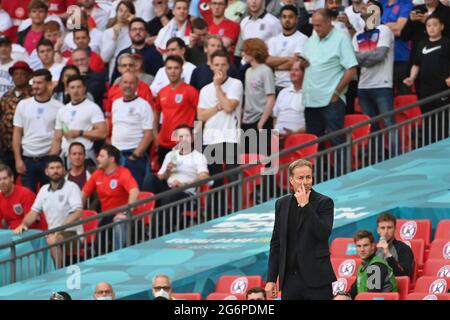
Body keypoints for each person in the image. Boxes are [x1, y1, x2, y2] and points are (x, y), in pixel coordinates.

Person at [265, 159, 336, 300]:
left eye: (308, 177)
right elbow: (276, 243)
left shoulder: (324, 202)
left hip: (317, 279)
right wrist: (271, 279)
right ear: (291, 180)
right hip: (290, 281)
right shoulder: (281, 204)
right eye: (300, 178)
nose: (305, 182)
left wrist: (306, 206)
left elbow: (322, 233)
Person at [300, 9, 357, 174]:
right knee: (313, 144)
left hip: (330, 100)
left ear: (328, 22)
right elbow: (308, 61)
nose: (316, 28)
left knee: (336, 140)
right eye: (314, 25)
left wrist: (336, 93)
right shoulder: (312, 39)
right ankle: (318, 179)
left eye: (319, 25)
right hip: (311, 100)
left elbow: (351, 70)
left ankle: (343, 177)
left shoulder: (341, 38)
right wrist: (303, 64)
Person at [14, 155, 83, 268]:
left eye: (58, 167)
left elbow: (77, 212)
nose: (55, 170)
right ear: (46, 172)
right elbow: (33, 212)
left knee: (52, 240)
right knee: (35, 240)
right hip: (51, 233)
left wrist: (60, 229)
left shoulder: (72, 187)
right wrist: (24, 224)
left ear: (64, 170)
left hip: (73, 234)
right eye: (52, 168)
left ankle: (57, 272)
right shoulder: (43, 190)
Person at [197, 50, 243, 214]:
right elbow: (200, 116)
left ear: (228, 65)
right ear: (210, 65)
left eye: (223, 64)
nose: (220, 68)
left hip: (231, 137)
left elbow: (230, 107)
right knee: (215, 180)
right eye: (217, 64)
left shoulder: (235, 84)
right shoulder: (204, 90)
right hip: (210, 139)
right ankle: (215, 215)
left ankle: (238, 212)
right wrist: (217, 107)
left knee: (233, 177)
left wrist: (217, 87)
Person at [143, 124, 209, 234]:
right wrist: (168, 171)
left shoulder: (198, 156)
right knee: (150, 178)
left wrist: (183, 184)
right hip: (168, 188)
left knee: (169, 197)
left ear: (192, 138)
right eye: (180, 136)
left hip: (185, 192)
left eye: (187, 136)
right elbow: (160, 177)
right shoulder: (170, 155)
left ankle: (162, 234)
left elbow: (204, 176)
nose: (184, 139)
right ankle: (146, 213)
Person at [353, 0, 397, 157]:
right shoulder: (357, 35)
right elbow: (354, 59)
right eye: (365, 6)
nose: (366, 8)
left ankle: (395, 158)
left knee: (388, 123)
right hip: (363, 87)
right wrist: (365, 57)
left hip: (382, 84)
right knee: (372, 126)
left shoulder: (384, 30)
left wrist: (362, 57)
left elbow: (379, 55)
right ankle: (377, 159)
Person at [13, 69, 64, 193]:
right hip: (27, 159)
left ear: (49, 84)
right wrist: (18, 159)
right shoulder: (23, 105)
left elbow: (59, 135)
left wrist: (52, 159)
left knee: (49, 197)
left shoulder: (59, 107)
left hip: (48, 158)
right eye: (34, 83)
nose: (35, 86)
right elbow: (17, 133)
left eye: (39, 83)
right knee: (28, 198)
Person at [82, 145, 139, 251]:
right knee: (95, 222)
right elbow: (84, 194)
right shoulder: (97, 174)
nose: (98, 158)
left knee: (118, 222)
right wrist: (77, 211)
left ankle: (120, 256)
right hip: (105, 215)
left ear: (111, 159)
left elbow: (134, 191)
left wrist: (126, 212)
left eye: (101, 156)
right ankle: (97, 255)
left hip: (123, 215)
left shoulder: (123, 172)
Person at [403, 15, 450, 143]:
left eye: (435, 25)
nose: (432, 28)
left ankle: (444, 147)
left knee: (442, 121)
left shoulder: (447, 43)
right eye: (428, 25)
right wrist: (412, 78)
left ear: (442, 27)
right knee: (428, 119)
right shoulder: (422, 43)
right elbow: (416, 64)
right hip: (425, 89)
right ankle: (431, 147)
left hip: (442, 88)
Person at [153, 55, 199, 166]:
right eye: (169, 68)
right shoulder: (162, 92)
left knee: (183, 176)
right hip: (164, 142)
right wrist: (156, 136)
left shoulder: (190, 91)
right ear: (165, 70)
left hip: (183, 142)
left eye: (176, 68)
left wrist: (196, 139)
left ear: (181, 70)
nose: (173, 71)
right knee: (164, 176)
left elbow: (200, 115)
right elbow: (156, 113)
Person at [51, 74, 107, 164]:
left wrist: (80, 133)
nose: (75, 90)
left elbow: (102, 133)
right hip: (66, 154)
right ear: (67, 89)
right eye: (72, 87)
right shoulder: (62, 110)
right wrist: (52, 159)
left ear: (84, 88)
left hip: (85, 155)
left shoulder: (93, 107)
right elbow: (57, 138)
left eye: (79, 87)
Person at [111, 72, 153, 188]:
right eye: (125, 82)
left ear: (136, 85)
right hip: (115, 155)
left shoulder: (144, 105)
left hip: (133, 154)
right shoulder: (115, 103)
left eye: (131, 83)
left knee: (135, 190)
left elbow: (148, 135)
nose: (127, 85)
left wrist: (135, 155)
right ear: (119, 85)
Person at [241, 38, 275, 155]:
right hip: (247, 120)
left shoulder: (266, 71)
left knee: (263, 158)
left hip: (261, 119)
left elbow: (270, 98)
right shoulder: (248, 71)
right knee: (248, 157)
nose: (243, 54)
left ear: (253, 52)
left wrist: (261, 122)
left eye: (245, 50)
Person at [266, 5, 308, 93]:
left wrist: (276, 66)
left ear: (296, 19)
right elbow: (268, 61)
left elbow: (296, 62)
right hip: (275, 85)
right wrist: (288, 58)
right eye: (284, 17)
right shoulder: (273, 40)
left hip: (294, 86)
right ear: (280, 19)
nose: (287, 20)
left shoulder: (303, 38)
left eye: (290, 17)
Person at [0, 61, 33, 173]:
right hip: (6, 148)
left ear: (29, 76)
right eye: (15, 74)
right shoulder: (6, 96)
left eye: (22, 73)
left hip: (27, 149)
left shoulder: (34, 95)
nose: (18, 76)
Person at [110, 17, 163, 85]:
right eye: (134, 29)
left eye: (141, 29)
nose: (137, 32)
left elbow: (159, 80)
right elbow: (114, 81)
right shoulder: (122, 53)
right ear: (129, 33)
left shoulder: (155, 54)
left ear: (146, 33)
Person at [348, 230, 398, 299]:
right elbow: (353, 292)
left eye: (365, 245)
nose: (362, 249)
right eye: (359, 246)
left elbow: (371, 296)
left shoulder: (375, 267)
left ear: (372, 246)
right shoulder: (363, 266)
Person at [401, 0, 450, 67]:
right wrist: (410, 21)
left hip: (439, 62)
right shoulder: (417, 9)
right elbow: (404, 36)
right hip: (416, 62)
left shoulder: (447, 11)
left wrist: (429, 23)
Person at [379, 0, 413, 95]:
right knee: (385, 95)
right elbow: (373, 28)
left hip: (400, 56)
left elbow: (399, 28)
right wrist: (390, 26)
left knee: (404, 95)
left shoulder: (406, 3)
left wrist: (382, 27)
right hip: (382, 58)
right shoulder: (381, 3)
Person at [0, 164, 43, 230]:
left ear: (12, 178)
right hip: (12, 233)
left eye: (5, 178)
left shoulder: (25, 194)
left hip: (32, 232)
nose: (2, 182)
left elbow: (32, 222)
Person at [273, 61, 306, 143]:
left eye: (296, 70)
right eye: (291, 70)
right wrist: (275, 134)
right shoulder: (283, 92)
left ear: (304, 74)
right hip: (277, 139)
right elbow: (275, 117)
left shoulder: (309, 94)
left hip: (299, 140)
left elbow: (313, 123)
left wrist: (295, 134)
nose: (292, 73)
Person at [100, 0, 135, 80]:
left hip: (133, 65)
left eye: (127, 11)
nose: (123, 14)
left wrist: (134, 22)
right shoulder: (108, 32)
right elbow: (104, 58)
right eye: (120, 10)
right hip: (116, 69)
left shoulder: (134, 30)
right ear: (116, 12)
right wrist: (115, 37)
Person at [376, 213, 414, 278]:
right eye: (383, 228)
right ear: (378, 230)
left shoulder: (404, 249)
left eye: (389, 228)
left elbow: (405, 274)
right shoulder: (373, 249)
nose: (386, 231)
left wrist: (388, 254)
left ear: (395, 229)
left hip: (392, 286)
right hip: (374, 285)